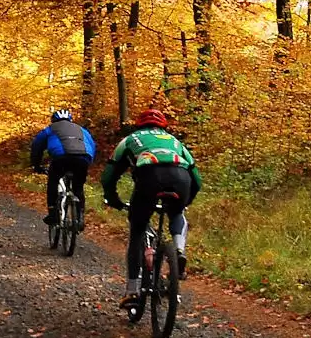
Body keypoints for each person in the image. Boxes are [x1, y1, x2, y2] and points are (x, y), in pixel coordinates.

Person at [101, 107, 202, 287]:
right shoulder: (175, 142)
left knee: (137, 229)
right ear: (163, 126)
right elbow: (196, 177)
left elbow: (110, 173)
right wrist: (186, 200)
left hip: (149, 177)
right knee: (177, 213)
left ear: (139, 125)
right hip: (182, 178)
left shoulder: (130, 140)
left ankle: (132, 289)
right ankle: (179, 250)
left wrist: (112, 197)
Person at [29, 108, 99, 227]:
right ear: (70, 120)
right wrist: (88, 162)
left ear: (53, 120)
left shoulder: (50, 129)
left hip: (61, 158)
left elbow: (36, 146)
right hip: (83, 158)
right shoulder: (82, 129)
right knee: (78, 188)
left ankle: (53, 214)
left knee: (53, 181)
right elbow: (92, 145)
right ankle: (80, 218)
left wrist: (36, 165)